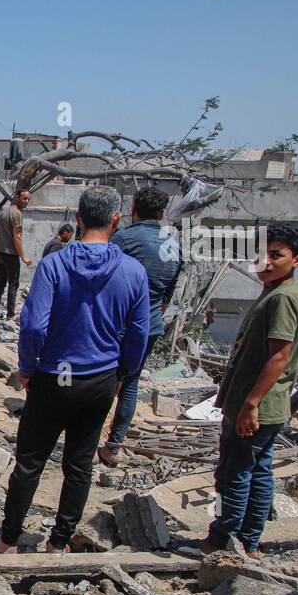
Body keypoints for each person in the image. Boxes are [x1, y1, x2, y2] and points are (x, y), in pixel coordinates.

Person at [0, 187, 150, 555]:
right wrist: (124, 371)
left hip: (54, 377)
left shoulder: (54, 265)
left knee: (30, 462)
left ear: (77, 219)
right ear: (116, 222)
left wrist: (27, 369)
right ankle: (58, 542)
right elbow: (139, 333)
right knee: (79, 464)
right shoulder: (133, 272)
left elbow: (32, 326)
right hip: (100, 380)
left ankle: (8, 540)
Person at [199, 223, 298, 557]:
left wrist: (251, 403)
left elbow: (280, 355)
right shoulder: (276, 292)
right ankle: (248, 541)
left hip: (257, 406)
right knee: (257, 471)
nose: (266, 261)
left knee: (232, 474)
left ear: (297, 259)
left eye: (276, 255)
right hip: (263, 405)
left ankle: (221, 539)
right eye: (261, 254)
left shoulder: (285, 298)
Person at [100, 188, 184, 465]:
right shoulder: (173, 247)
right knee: (130, 382)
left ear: (134, 210)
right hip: (150, 327)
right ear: (161, 214)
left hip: (118, 325)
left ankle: (87, 437)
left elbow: (104, 284)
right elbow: (165, 300)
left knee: (103, 378)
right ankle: (114, 445)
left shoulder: (122, 238)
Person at [0, 188, 31, 318]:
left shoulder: (5, 212)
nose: (27, 201)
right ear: (17, 197)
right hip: (11, 254)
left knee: (1, 281)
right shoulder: (17, 214)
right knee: (13, 283)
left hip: (1, 253)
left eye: (28, 199)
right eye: (24, 198)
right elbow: (17, 236)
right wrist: (23, 256)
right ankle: (11, 313)